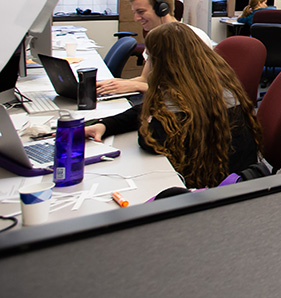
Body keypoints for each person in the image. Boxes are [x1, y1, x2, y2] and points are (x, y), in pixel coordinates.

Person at [85, 23, 262, 188]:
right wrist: (106, 125)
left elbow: (150, 141)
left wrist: (148, 117)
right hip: (222, 177)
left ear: (163, 61)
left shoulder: (200, 97)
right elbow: (150, 108)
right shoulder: (200, 81)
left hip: (216, 188)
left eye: (150, 58)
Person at [97, 0, 214, 95]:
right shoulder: (155, 36)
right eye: (135, 12)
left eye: (141, 12)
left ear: (162, 9)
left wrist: (135, 86)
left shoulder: (190, 37)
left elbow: (189, 90)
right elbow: (145, 79)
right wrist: (112, 84)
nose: (136, 18)